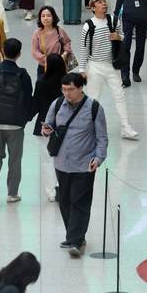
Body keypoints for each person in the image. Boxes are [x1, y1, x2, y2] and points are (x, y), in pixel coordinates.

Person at [42, 72, 107, 256]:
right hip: (62, 163)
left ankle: (76, 241)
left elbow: (102, 137)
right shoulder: (56, 105)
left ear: (80, 88)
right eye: (64, 89)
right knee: (64, 201)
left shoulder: (94, 108)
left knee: (80, 201)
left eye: (70, 89)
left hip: (85, 165)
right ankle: (75, 235)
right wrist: (46, 130)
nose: (67, 93)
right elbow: (48, 127)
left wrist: (99, 158)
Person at [0, 37, 33, 206]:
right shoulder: (23, 75)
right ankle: (12, 193)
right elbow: (29, 101)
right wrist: (25, 120)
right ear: (19, 54)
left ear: (2, 51)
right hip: (16, 124)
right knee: (15, 159)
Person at [79, 0, 138, 140]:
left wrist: (118, 37)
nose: (104, 4)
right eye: (99, 2)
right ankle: (90, 128)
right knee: (93, 98)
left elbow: (123, 36)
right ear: (93, 8)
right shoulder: (88, 26)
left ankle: (125, 127)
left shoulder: (113, 20)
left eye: (104, 1)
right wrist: (82, 69)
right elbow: (83, 49)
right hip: (95, 66)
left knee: (120, 95)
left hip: (112, 65)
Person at [30, 52, 66, 203]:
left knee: (47, 160)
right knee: (63, 158)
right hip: (64, 128)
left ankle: (51, 192)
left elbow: (35, 105)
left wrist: (24, 116)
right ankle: (63, 188)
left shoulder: (41, 83)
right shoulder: (66, 84)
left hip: (44, 126)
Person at [31, 6, 72, 79]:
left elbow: (67, 43)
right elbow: (35, 51)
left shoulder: (59, 31)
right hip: (44, 67)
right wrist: (47, 60)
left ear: (53, 17)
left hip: (59, 67)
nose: (45, 18)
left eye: (48, 15)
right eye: (43, 16)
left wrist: (65, 53)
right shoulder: (37, 33)